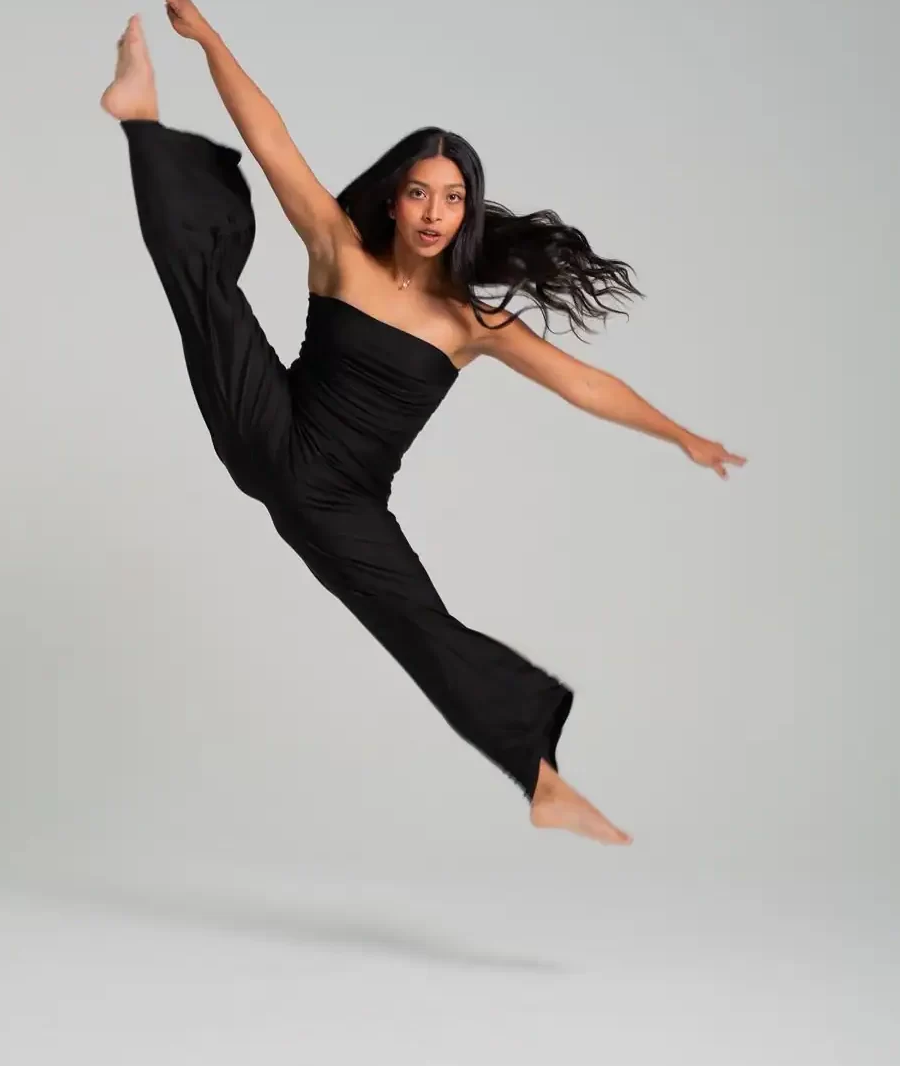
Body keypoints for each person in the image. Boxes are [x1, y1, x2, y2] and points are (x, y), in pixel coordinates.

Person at [99, 7, 745, 846]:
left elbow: (584, 383)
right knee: (207, 298)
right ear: (395, 200)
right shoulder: (339, 249)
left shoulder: (470, 324)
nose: (435, 212)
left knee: (424, 629)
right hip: (270, 425)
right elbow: (270, 138)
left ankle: (541, 781)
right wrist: (211, 43)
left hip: (343, 505)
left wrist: (680, 434)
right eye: (419, 193)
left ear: (467, 211)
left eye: (453, 198)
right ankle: (140, 116)